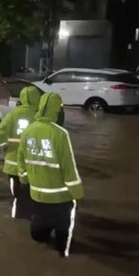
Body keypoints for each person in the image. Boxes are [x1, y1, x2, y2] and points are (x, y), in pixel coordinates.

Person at [17, 92, 83, 257]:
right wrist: (78, 193)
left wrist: (24, 180)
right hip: (61, 198)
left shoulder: (28, 130)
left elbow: (21, 161)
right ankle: (63, 253)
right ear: (56, 110)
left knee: (38, 235)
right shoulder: (60, 134)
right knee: (64, 236)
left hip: (37, 195)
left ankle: (42, 233)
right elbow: (69, 168)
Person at [0, 86, 41, 219]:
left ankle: (19, 221)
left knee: (18, 196)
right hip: (34, 166)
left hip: (13, 165)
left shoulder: (13, 114)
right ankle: (33, 218)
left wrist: (4, 146)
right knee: (34, 195)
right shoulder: (40, 116)